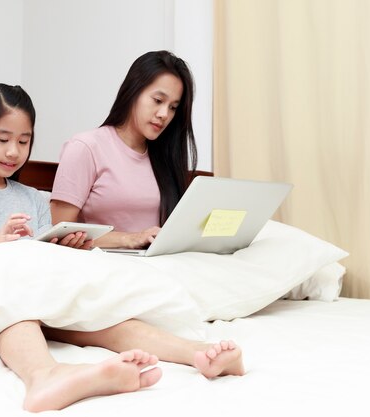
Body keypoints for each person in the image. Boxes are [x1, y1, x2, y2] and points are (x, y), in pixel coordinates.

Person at [0, 83, 162, 412]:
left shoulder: (30, 197)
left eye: (24, 141)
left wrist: (66, 248)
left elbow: (40, 261)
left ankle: (197, 353)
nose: (14, 152)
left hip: (33, 298)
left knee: (104, 319)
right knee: (15, 307)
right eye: (2, 139)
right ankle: (45, 377)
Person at [48, 50, 245, 378]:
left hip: (156, 266)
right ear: (133, 91)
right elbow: (60, 233)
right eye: (157, 100)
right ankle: (195, 352)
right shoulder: (87, 147)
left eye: (173, 107)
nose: (164, 114)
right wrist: (130, 238)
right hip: (106, 267)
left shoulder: (164, 159)